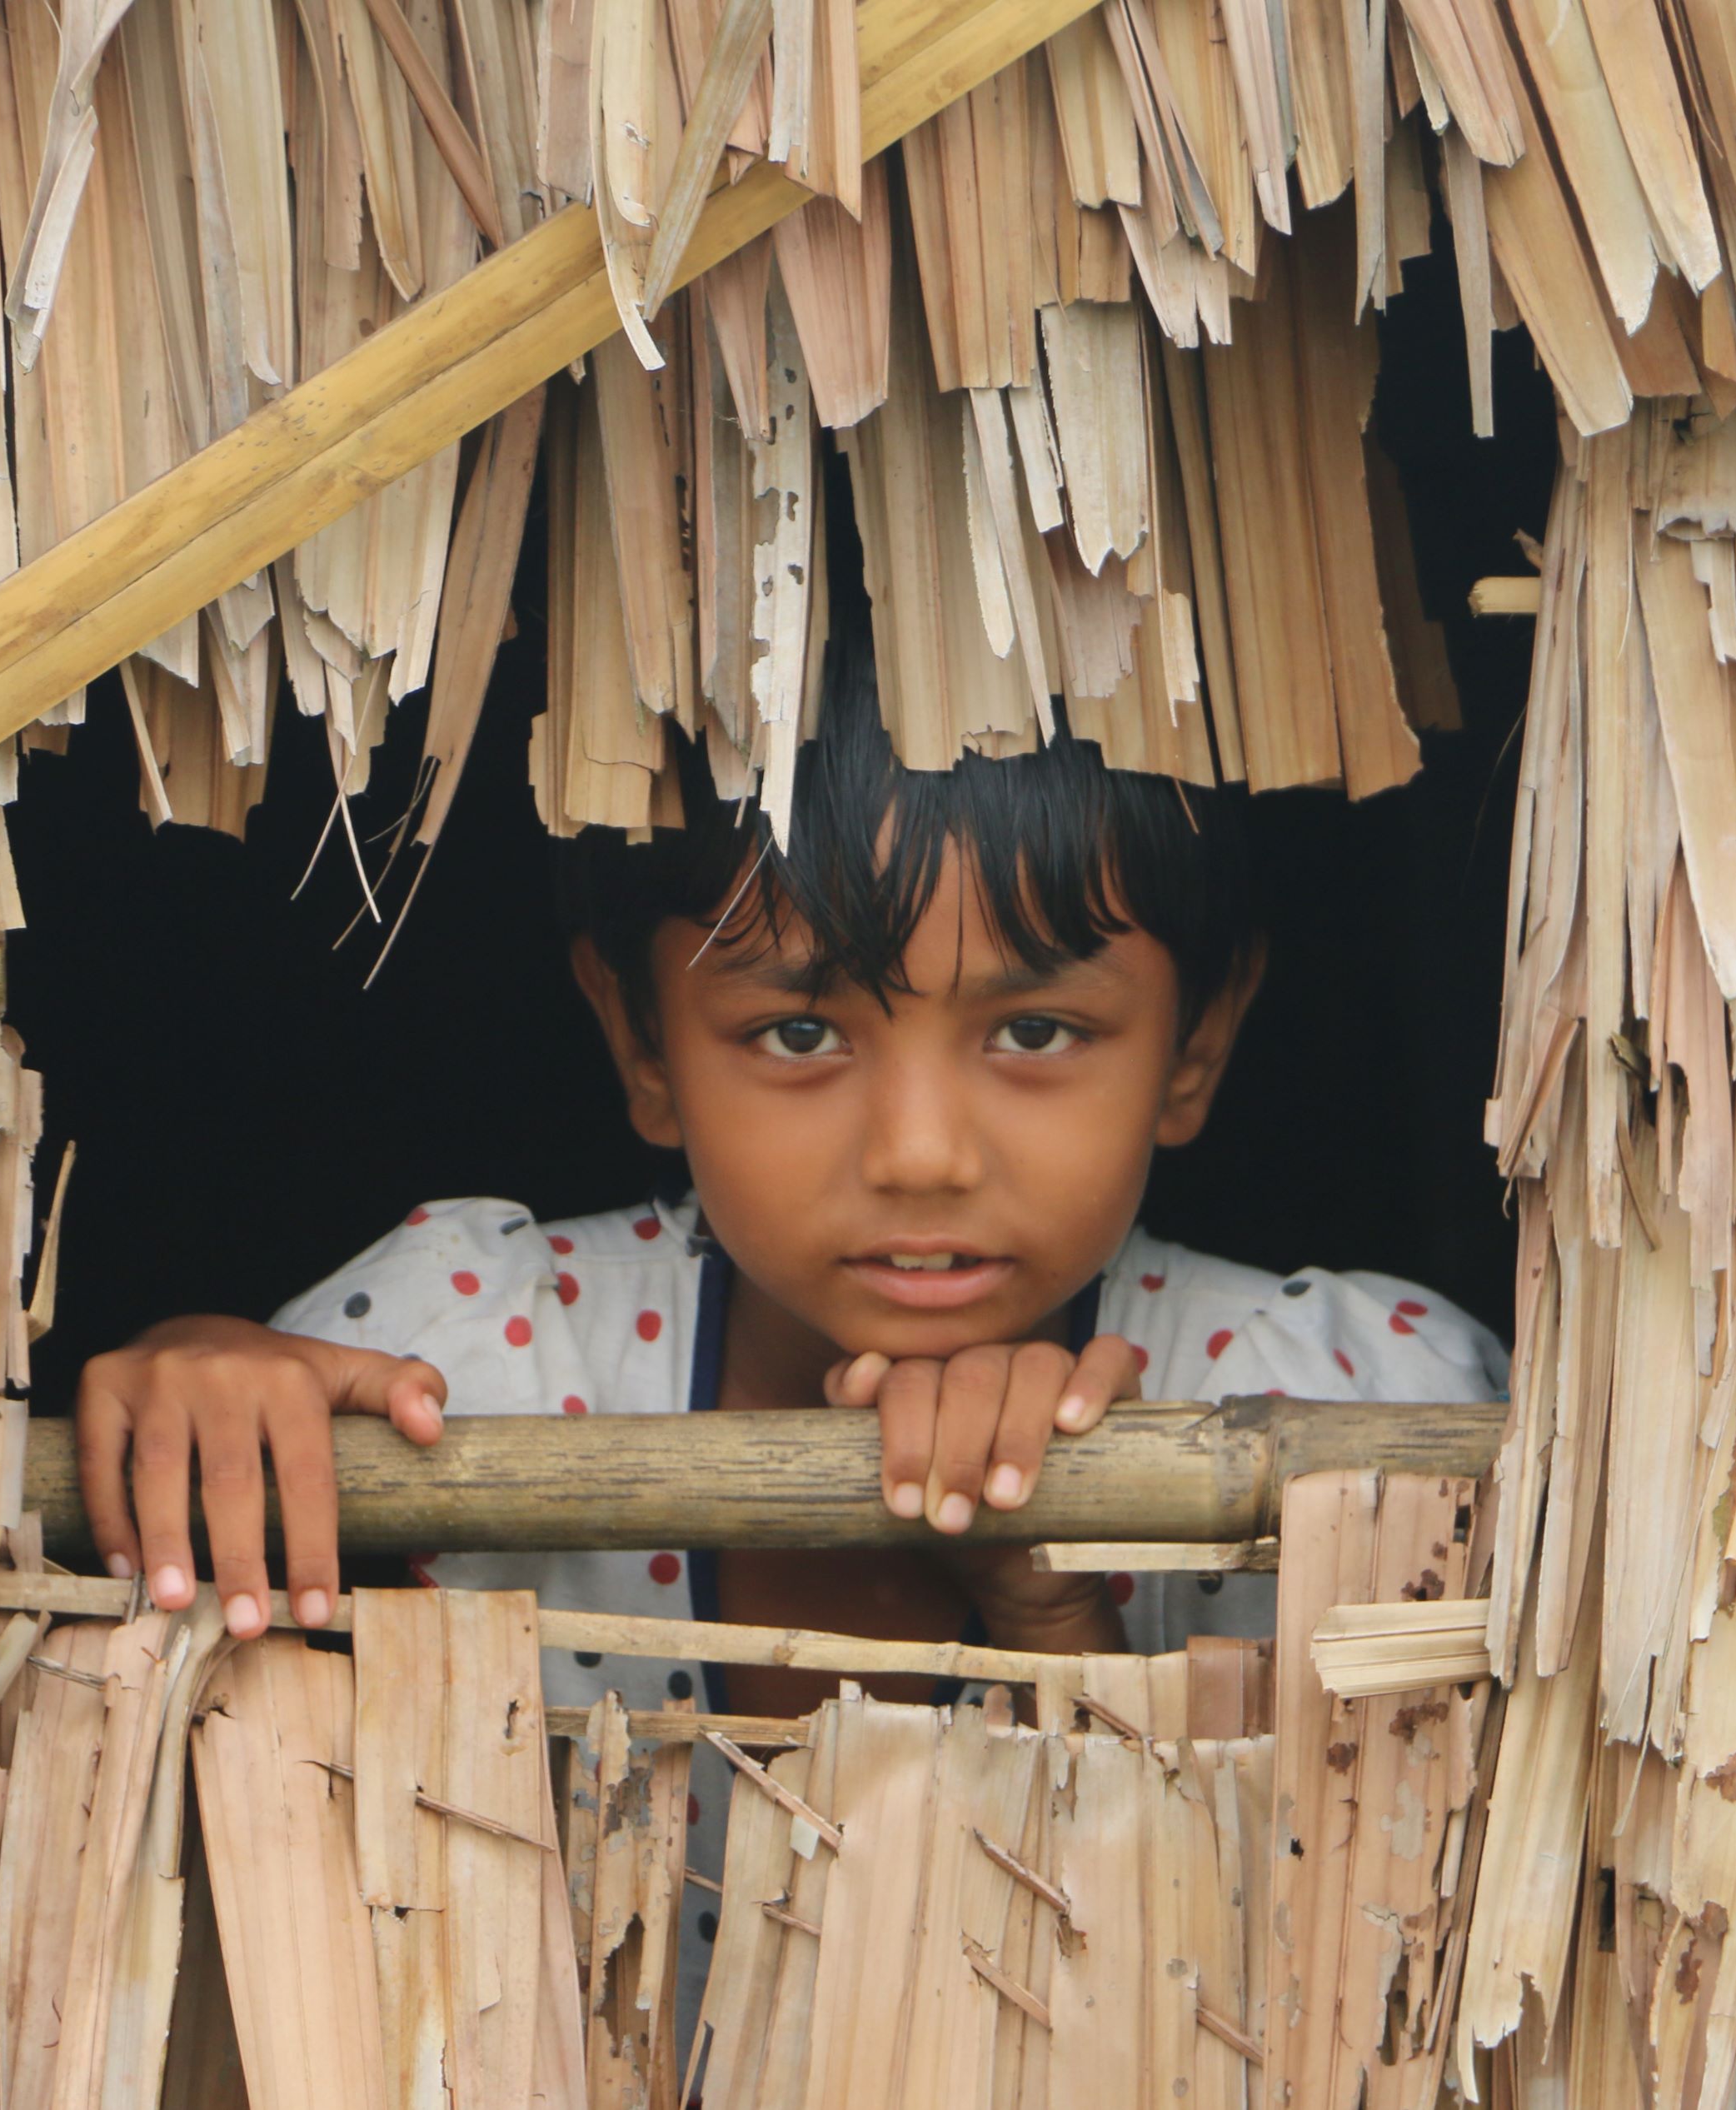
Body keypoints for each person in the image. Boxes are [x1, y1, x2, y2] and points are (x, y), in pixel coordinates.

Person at [75, 624, 1505, 1713]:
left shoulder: (1338, 1420)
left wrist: (1044, 1606)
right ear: (640, 1038)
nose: (923, 1154)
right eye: (803, 1030)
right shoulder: (466, 1361)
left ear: (1196, 1043)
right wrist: (198, 1380)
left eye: (1036, 1028)